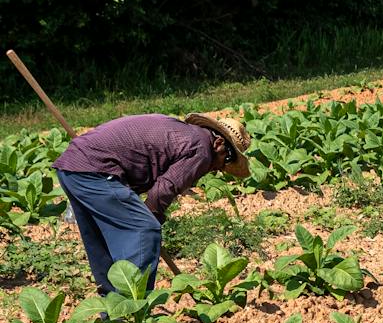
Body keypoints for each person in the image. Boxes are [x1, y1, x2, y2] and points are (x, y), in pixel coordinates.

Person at [53, 113, 253, 295]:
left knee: (101, 240)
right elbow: (163, 190)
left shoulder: (186, 133)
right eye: (226, 159)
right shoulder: (202, 149)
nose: (220, 168)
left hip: (73, 166)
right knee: (145, 229)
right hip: (96, 170)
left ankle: (115, 312)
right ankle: (132, 308)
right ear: (218, 143)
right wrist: (151, 218)